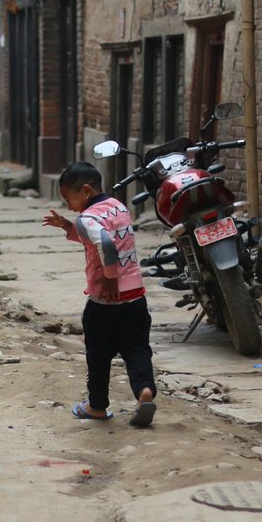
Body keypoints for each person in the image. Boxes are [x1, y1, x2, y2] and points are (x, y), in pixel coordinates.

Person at [42, 161, 158, 427]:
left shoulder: (87, 218)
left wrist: (108, 277)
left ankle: (96, 407)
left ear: (85, 191)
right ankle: (144, 392)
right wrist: (67, 227)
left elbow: (104, 243)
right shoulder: (118, 207)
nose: (69, 206)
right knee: (137, 348)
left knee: (98, 353)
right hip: (135, 296)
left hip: (105, 301)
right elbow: (103, 236)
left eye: (68, 198)